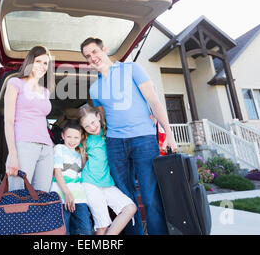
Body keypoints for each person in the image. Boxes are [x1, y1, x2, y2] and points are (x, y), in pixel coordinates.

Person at [80, 37, 178, 235]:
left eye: (94, 52)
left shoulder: (132, 68)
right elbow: (103, 119)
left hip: (143, 139)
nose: (93, 58)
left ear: (104, 49)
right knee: (126, 198)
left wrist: (169, 133)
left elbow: (154, 102)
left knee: (150, 196)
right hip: (115, 143)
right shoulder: (94, 88)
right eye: (88, 56)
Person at [78, 104, 136, 235]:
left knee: (130, 208)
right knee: (102, 226)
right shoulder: (85, 140)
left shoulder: (110, 133)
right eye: (87, 126)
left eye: (93, 122)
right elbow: (82, 163)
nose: (92, 128)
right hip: (90, 183)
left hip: (107, 183)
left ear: (98, 117)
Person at [4, 46, 55, 192]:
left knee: (42, 198)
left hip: (46, 149)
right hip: (24, 146)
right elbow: (8, 121)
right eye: (38, 61)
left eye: (46, 63)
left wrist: (51, 144)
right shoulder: (15, 83)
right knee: (18, 196)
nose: (42, 66)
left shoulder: (45, 91)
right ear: (30, 62)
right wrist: (13, 155)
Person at [50, 119, 93, 235]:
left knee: (85, 230)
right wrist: (67, 193)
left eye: (76, 138)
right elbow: (57, 172)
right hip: (61, 196)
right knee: (63, 231)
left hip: (79, 197)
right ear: (63, 135)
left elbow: (82, 172)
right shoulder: (59, 149)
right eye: (69, 137)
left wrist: (84, 156)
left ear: (81, 138)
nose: (72, 141)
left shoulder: (79, 152)